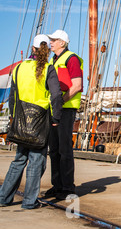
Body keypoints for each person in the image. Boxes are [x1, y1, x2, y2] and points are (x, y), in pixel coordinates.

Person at [0, 35, 63, 209]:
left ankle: (4, 198)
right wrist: (56, 117)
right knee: (36, 161)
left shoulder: (19, 68)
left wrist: (13, 118)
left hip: (21, 119)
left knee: (19, 159)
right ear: (47, 50)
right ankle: (29, 201)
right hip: (40, 121)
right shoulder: (48, 68)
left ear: (32, 48)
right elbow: (56, 95)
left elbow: (13, 96)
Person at [43, 30, 83, 200]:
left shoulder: (71, 58)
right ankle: (57, 184)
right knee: (54, 149)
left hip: (66, 109)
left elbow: (76, 85)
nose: (50, 42)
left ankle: (67, 187)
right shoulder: (53, 60)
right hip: (56, 109)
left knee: (64, 149)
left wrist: (61, 102)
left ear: (62, 43)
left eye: (54, 40)